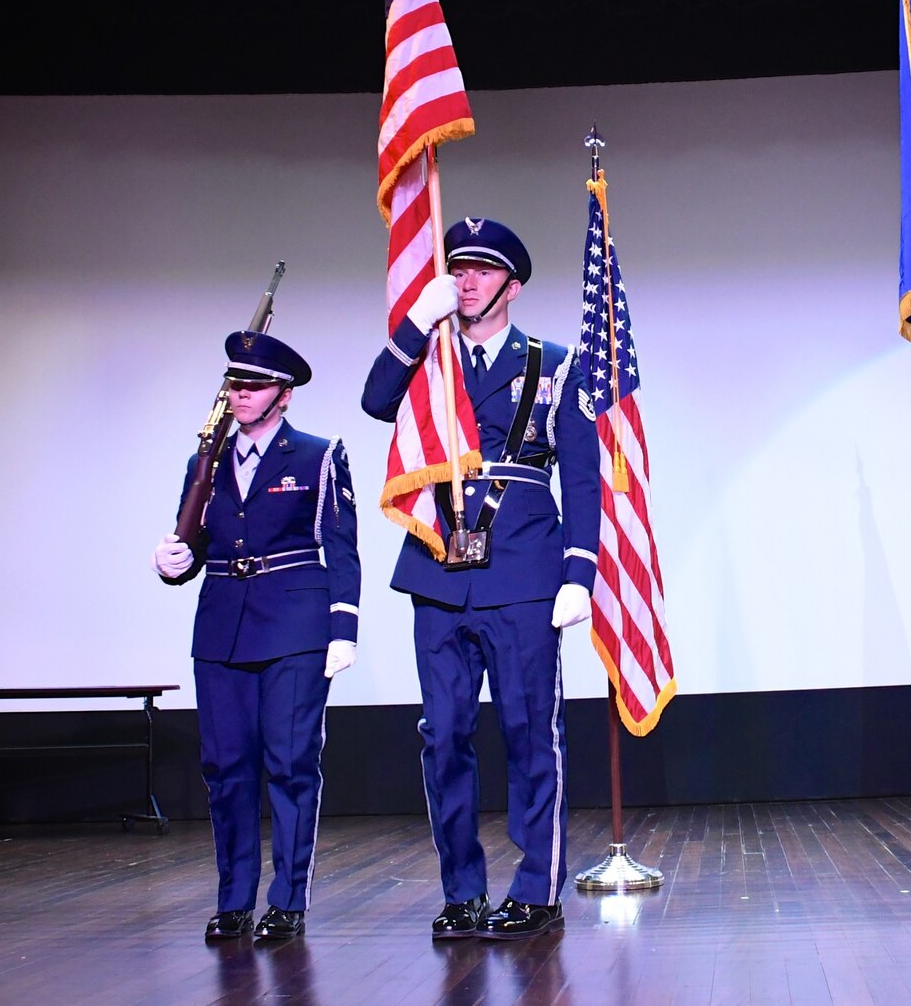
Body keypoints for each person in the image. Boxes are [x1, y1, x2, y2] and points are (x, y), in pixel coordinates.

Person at [361, 218, 599, 940]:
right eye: (457, 268)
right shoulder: (427, 362)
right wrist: (413, 325)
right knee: (444, 735)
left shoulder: (554, 363)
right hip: (438, 567)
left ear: (512, 286)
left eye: (482, 271)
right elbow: (376, 401)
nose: (465, 280)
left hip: (524, 569)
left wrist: (578, 573)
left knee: (532, 732)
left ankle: (536, 889)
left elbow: (583, 478)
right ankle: (462, 890)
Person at [151, 331, 360, 943]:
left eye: (253, 385)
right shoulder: (204, 462)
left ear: (283, 395)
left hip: (296, 623)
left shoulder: (318, 456)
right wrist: (175, 561)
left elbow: (341, 548)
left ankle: (288, 900)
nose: (240, 395)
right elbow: (197, 542)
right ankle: (234, 898)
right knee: (225, 766)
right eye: (233, 384)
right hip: (221, 625)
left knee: (291, 763)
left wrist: (342, 627)